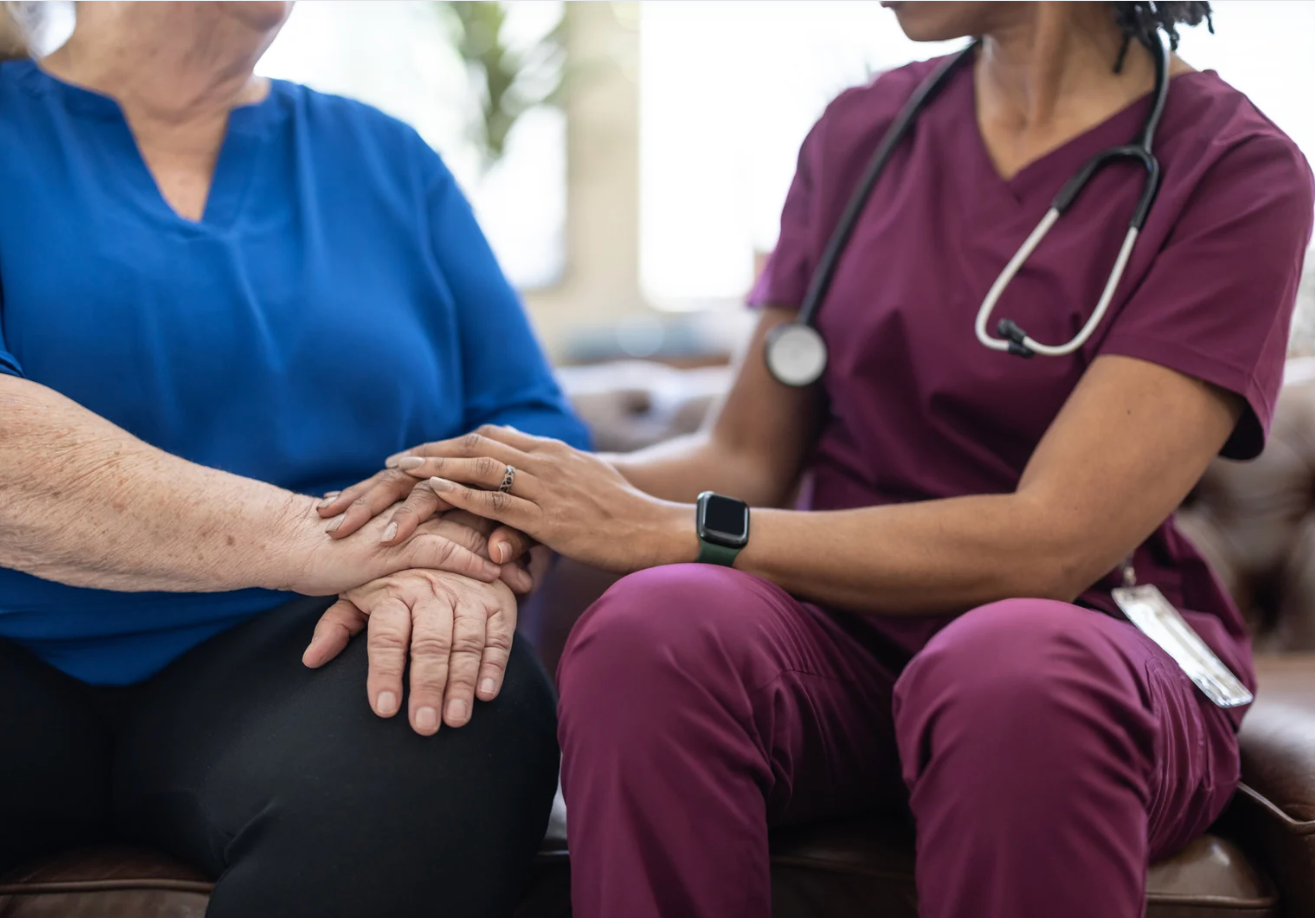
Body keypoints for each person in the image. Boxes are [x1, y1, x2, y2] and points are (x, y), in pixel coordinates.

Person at [320, 2, 1315, 916]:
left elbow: (1051, 542)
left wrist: (675, 530)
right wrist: (512, 488)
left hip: (1083, 643)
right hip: (842, 648)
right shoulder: (862, 135)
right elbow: (747, 452)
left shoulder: (1233, 170)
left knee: (1008, 669)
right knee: (651, 628)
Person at [0, 2, 589, 916]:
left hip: (305, 649)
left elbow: (530, 429)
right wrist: (328, 539)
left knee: (461, 704)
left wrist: (456, 551)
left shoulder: (389, 161)